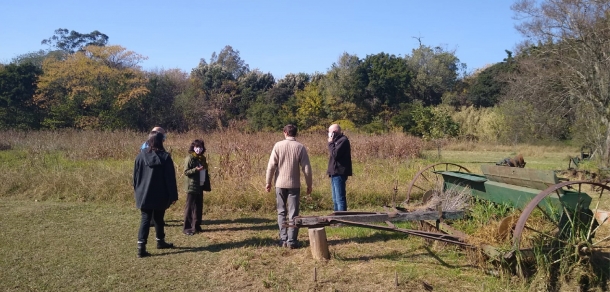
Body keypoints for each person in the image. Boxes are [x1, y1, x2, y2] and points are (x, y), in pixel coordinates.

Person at [265, 124, 313, 249]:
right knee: (293, 213)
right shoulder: (300, 147)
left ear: (285, 132)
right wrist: (309, 184)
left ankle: (283, 239)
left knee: (281, 212)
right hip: (294, 185)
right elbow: (306, 168)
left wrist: (268, 182)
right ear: (295, 133)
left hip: (280, 184)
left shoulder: (278, 145)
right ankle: (292, 241)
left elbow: (271, 166)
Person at [133, 132, 178, 258]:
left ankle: (143, 246)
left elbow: (135, 178)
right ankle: (159, 241)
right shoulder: (165, 157)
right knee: (158, 217)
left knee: (146, 218)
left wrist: (137, 192)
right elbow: (170, 179)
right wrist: (173, 195)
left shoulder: (140, 157)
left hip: (143, 194)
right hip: (160, 194)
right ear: (161, 141)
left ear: (149, 141)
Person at [183, 139, 210, 235]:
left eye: (201, 147)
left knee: (198, 207)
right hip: (192, 186)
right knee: (190, 207)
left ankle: (196, 226)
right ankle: (187, 228)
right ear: (193, 148)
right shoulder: (190, 158)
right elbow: (186, 172)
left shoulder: (202, 158)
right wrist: (195, 170)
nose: (199, 149)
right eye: (197, 147)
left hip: (200, 185)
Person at [327, 124, 352, 212]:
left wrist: (330, 142)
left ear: (334, 132)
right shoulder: (336, 141)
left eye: (330, 132)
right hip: (334, 172)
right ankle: (336, 218)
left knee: (340, 197)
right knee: (335, 198)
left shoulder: (343, 140)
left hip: (340, 172)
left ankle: (342, 219)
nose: (329, 134)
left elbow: (335, 154)